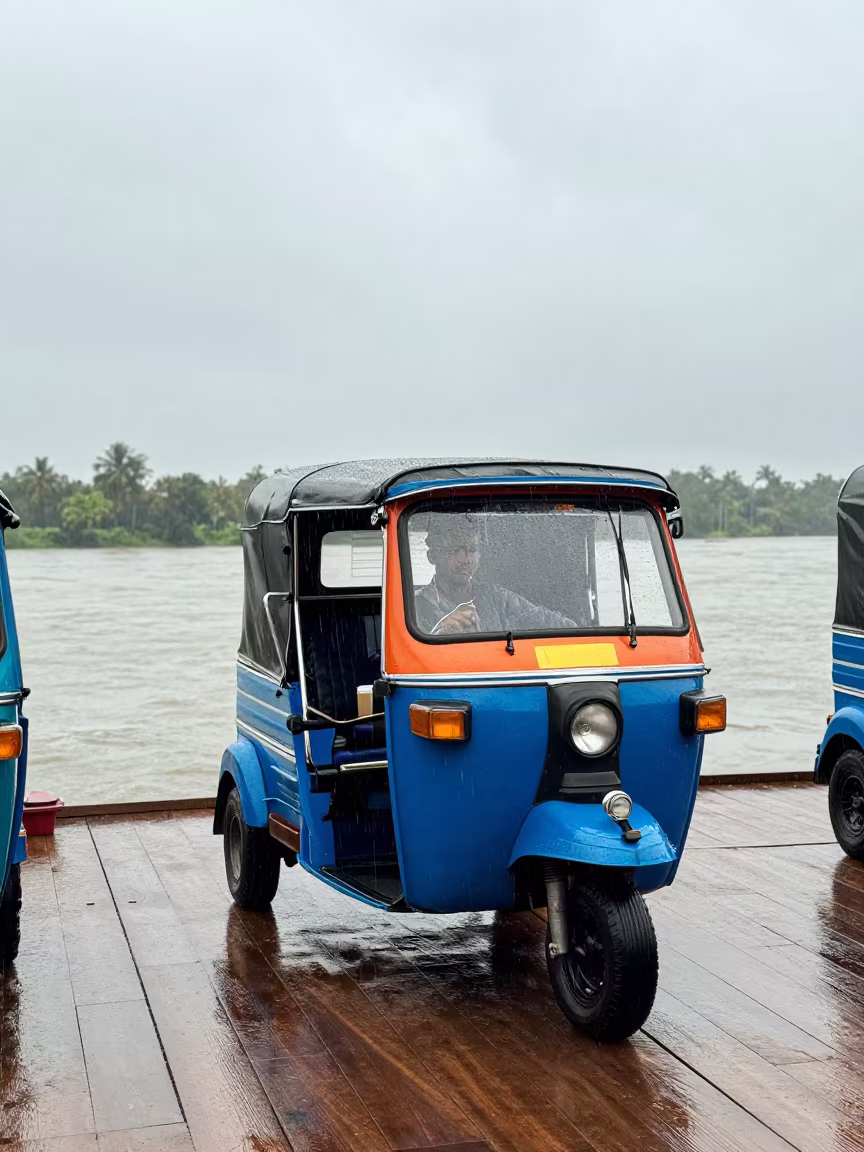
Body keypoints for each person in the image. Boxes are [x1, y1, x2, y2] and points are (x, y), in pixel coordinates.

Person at [413, 515, 580, 635]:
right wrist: (436, 635)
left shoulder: (498, 599)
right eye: (456, 550)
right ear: (432, 556)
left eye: (472, 550)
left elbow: (555, 623)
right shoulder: (414, 606)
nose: (466, 559)